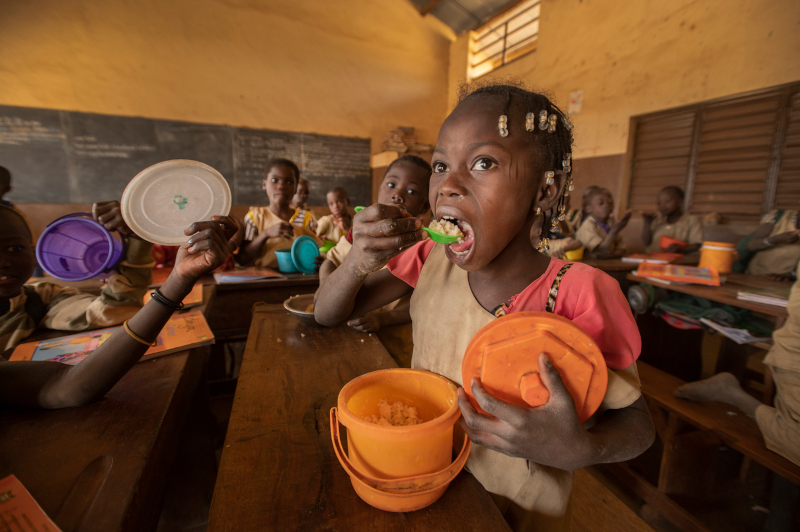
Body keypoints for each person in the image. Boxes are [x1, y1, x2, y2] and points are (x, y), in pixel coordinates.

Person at [315, 83, 654, 531]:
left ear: (545, 191)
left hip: (517, 510)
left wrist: (582, 450)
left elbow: (638, 425)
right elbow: (328, 312)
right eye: (440, 165)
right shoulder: (428, 259)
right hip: (424, 479)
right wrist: (358, 260)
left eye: (483, 163)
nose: (448, 185)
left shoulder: (580, 293)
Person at [0, 203, 238, 408]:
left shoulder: (38, 298)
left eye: (15, 248)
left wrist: (138, 240)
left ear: (32, 253)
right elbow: (65, 387)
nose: (4, 262)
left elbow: (113, 310)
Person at [319, 155, 431, 368]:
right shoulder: (361, 233)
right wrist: (326, 287)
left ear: (424, 205)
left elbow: (420, 307)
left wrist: (382, 320)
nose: (397, 195)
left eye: (412, 191)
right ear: (379, 190)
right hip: (350, 336)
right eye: (391, 185)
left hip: (394, 348)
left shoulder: (423, 247)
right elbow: (329, 262)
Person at [237, 159, 320, 268]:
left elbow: (312, 254)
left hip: (299, 280)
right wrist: (265, 234)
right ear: (264, 184)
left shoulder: (307, 218)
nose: (281, 186)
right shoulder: (254, 217)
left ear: (296, 188)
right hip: (263, 281)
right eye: (274, 180)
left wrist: (317, 260)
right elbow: (242, 259)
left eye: (289, 182)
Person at [736, 206, 800, 281]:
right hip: (753, 275)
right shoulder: (779, 216)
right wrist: (776, 239)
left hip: (782, 281)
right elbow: (751, 245)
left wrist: (792, 274)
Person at [640, 186, 703, 254]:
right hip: (652, 259)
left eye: (667, 201)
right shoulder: (656, 219)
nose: (662, 206)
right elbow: (646, 242)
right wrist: (647, 223)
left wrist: (681, 249)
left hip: (678, 261)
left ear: (680, 201)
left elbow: (697, 244)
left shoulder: (692, 220)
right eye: (659, 203)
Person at [575, 187, 631, 259]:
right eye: (601, 203)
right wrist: (614, 231)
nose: (606, 206)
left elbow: (623, 250)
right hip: (591, 266)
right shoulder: (588, 226)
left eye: (610, 203)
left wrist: (613, 254)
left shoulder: (610, 224)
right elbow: (601, 251)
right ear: (589, 209)